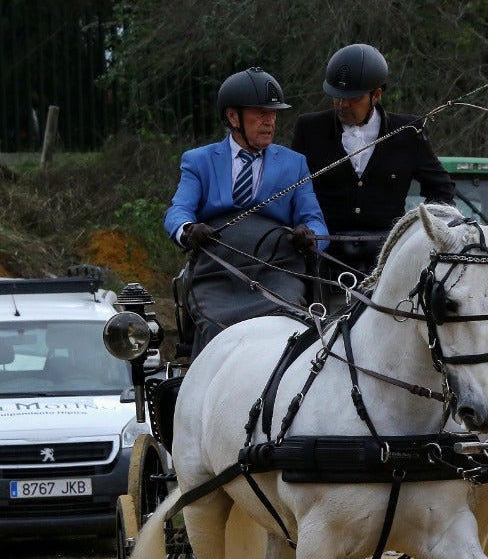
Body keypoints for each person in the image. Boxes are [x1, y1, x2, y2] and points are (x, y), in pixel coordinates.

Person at [163, 66, 327, 354]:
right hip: (219, 274)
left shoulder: (294, 163)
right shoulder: (199, 161)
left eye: (274, 114)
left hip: (277, 272)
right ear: (232, 117)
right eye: (260, 113)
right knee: (216, 330)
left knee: (289, 326)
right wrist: (188, 231)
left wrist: (311, 236)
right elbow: (178, 212)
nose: (269, 121)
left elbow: (314, 219)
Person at [290, 43, 456, 281]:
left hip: (389, 258)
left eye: (353, 98)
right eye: (337, 96)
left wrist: (420, 234)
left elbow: (442, 190)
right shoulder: (309, 128)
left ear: (376, 95)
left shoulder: (408, 131)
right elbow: (295, 188)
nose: (342, 104)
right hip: (324, 256)